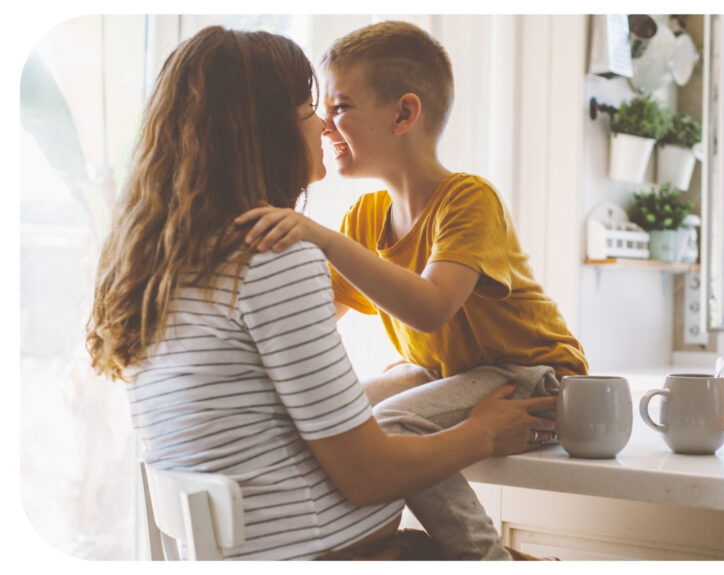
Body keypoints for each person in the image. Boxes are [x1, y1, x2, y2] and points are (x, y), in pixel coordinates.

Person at [84, 25, 555, 561]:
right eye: (312, 106)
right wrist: (482, 435)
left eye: (337, 108)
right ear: (269, 128)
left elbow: (318, 333)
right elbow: (369, 473)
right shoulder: (273, 259)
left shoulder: (159, 269)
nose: (325, 124)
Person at [233, 21, 588, 559]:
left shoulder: (468, 200)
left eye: (340, 108)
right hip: (456, 373)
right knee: (349, 413)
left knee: (392, 423)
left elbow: (431, 308)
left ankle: (486, 560)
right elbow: (315, 318)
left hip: (537, 376)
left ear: (404, 114)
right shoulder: (368, 216)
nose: (324, 126)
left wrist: (324, 240)